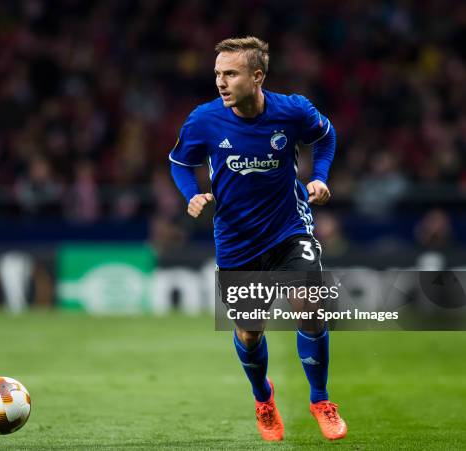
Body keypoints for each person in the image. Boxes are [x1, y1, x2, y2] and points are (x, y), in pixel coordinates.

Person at [169, 36, 347, 442]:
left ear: (257, 76)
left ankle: (320, 400)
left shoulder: (293, 110)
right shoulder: (203, 120)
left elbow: (326, 135)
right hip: (236, 240)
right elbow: (180, 162)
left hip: (289, 229)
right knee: (250, 331)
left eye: (230, 73)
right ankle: (263, 398)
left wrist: (319, 177)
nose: (220, 81)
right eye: (217, 73)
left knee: (311, 306)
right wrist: (191, 194)